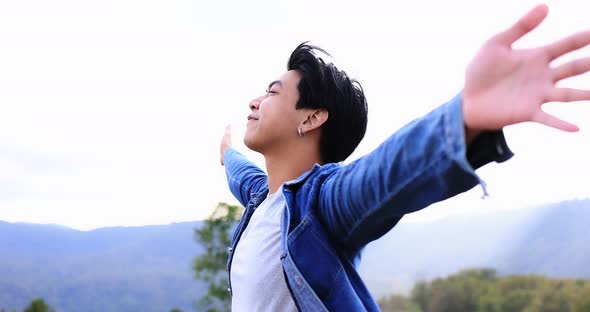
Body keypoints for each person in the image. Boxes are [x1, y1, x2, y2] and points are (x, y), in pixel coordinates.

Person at [219, 4, 590, 311]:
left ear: (311, 118)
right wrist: (227, 154)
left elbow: (384, 173)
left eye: (271, 92)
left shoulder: (322, 205)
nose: (255, 101)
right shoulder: (259, 198)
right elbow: (241, 175)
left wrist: (463, 117)